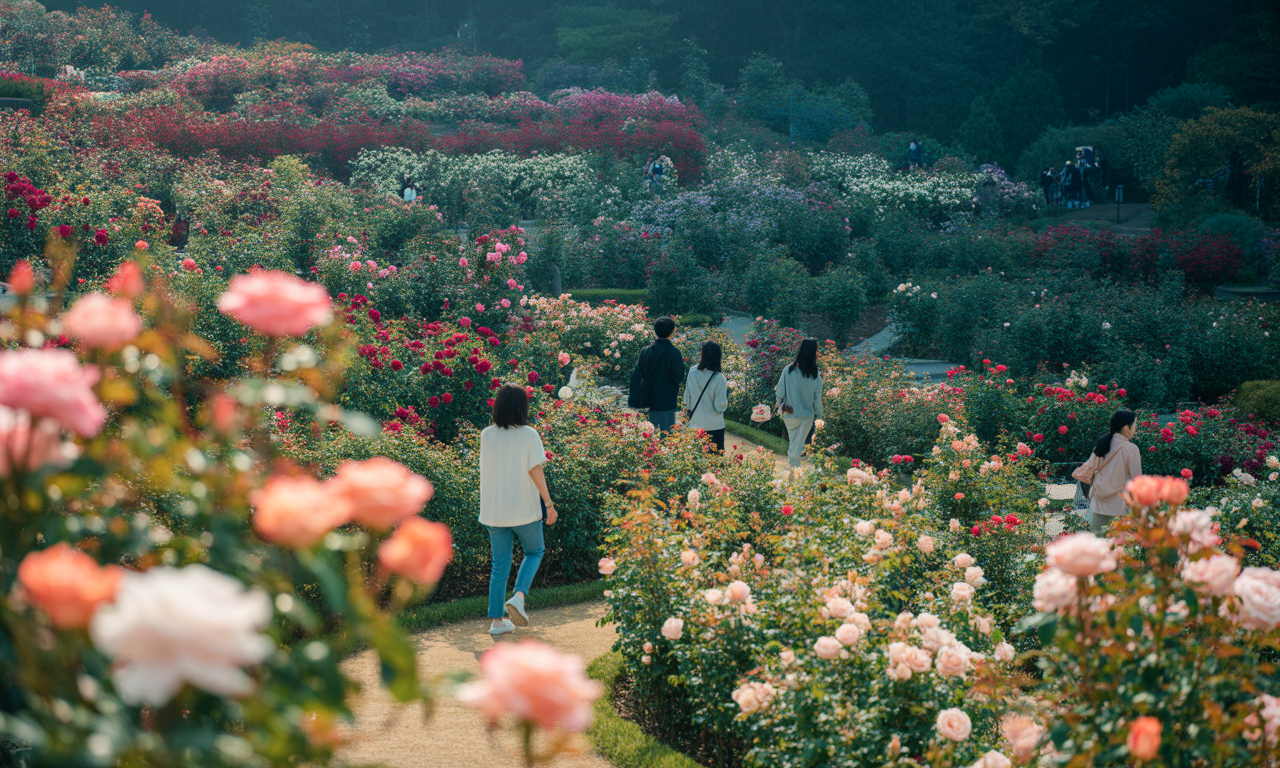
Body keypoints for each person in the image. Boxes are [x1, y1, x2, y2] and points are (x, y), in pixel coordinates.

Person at [479, 384, 557, 636]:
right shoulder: (528, 434)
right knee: (535, 551)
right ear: (522, 408)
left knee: (499, 565)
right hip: (523, 509)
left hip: (494, 511)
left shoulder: (486, 435)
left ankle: (497, 622)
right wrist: (549, 504)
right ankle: (519, 597)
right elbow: (536, 470)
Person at [1072, 409, 1142, 536]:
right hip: (1120, 506)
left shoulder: (1102, 444)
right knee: (1120, 548)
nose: (1135, 429)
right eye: (1134, 425)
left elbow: (1089, 469)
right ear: (1126, 427)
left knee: (1101, 545)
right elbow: (1137, 481)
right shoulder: (1131, 448)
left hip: (1098, 503)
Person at [774, 338, 823, 477]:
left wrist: (780, 405)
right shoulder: (815, 374)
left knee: (794, 444)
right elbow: (817, 399)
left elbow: (779, 392)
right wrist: (820, 417)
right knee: (797, 446)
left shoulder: (788, 370)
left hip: (790, 414)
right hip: (806, 417)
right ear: (813, 352)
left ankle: (793, 471)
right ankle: (795, 473)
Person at [633, 316, 685, 432]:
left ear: (655, 331)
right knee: (667, 436)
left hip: (647, 399)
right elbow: (679, 376)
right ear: (672, 332)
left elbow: (638, 374)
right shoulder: (674, 352)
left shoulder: (645, 351)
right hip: (667, 400)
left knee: (649, 437)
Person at [683, 341, 728, 451]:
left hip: (695, 424)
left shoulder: (692, 372)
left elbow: (686, 398)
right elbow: (719, 406)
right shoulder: (719, 378)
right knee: (714, 463)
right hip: (714, 426)